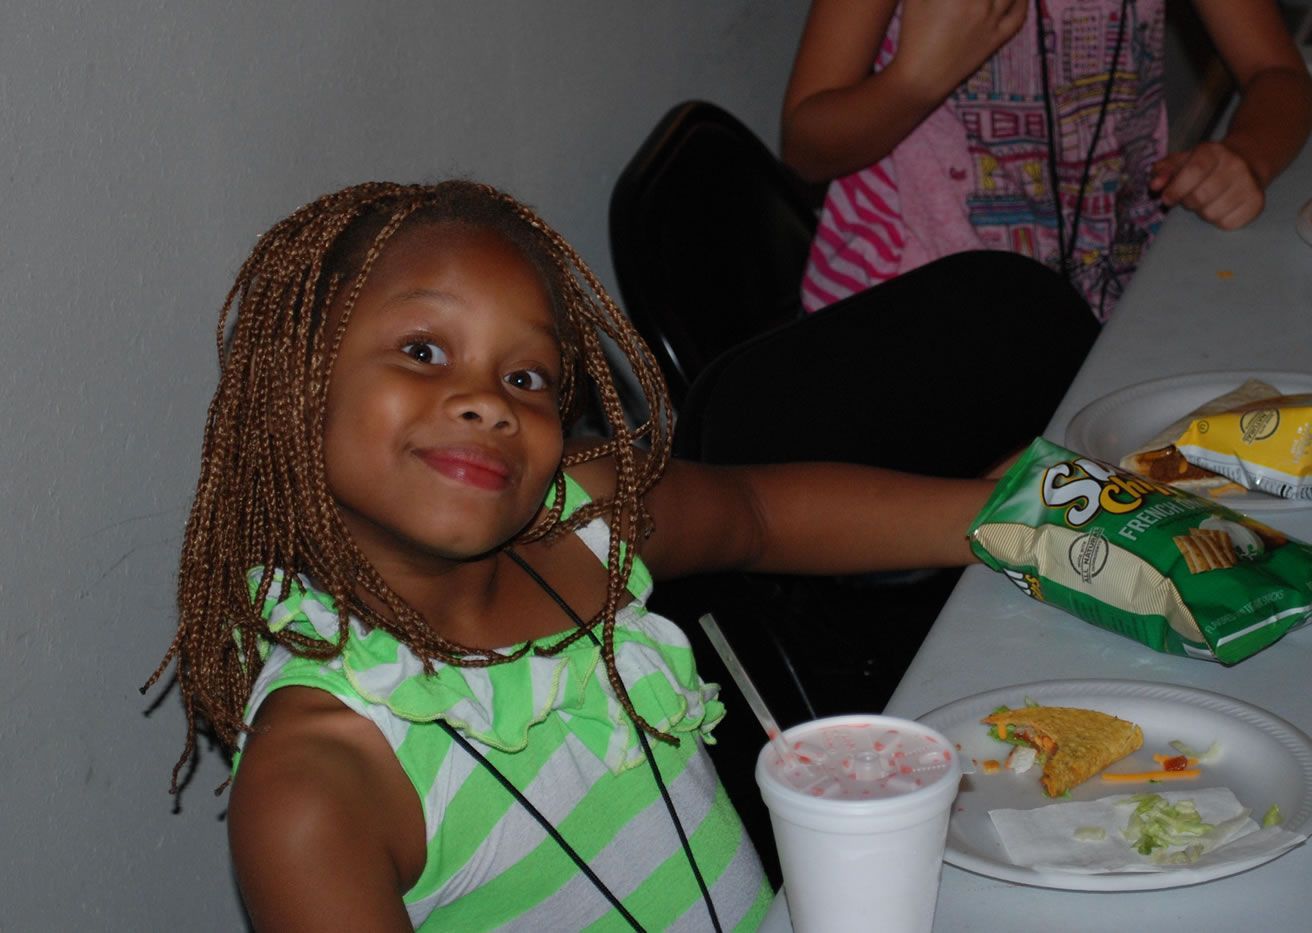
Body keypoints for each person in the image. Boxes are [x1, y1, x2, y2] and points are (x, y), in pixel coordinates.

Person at [144, 180, 998, 931]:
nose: (485, 400)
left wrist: (1013, 524)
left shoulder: (586, 525)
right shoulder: (318, 784)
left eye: (528, 376)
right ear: (297, 385)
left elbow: (757, 511)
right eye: (423, 351)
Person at [783, 0, 1312, 320]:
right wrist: (914, 81)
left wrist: (1246, 157)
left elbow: (1279, 73)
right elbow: (805, 146)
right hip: (910, 301)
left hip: (1112, 286)